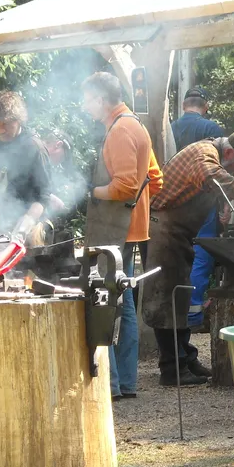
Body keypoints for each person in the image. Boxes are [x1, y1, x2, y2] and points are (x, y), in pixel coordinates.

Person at [143, 130, 234, 386]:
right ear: (230, 153)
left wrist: (222, 211)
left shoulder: (214, 156)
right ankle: (171, 369)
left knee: (181, 294)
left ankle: (186, 358)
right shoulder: (203, 154)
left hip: (180, 233)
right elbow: (210, 176)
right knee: (166, 297)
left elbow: (206, 188)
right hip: (163, 227)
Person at [81, 71, 163, 401]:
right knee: (124, 302)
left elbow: (127, 185)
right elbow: (154, 180)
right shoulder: (135, 125)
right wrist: (138, 212)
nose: (85, 106)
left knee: (109, 304)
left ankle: (112, 384)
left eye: (87, 100)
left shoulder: (120, 130)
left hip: (117, 231)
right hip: (130, 229)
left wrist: (93, 192)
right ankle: (125, 383)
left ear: (101, 100)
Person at [171, 87, 226, 329]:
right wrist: (224, 205)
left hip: (175, 204)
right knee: (202, 256)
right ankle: (193, 316)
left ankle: (177, 314)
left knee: (178, 257)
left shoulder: (169, 129)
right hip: (204, 204)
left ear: (184, 105)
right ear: (205, 107)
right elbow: (219, 173)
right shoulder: (211, 130)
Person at [0, 91, 54, 245]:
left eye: (7, 124)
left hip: (33, 221)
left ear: (19, 121)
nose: (1, 130)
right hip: (1, 220)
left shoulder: (34, 147)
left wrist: (25, 224)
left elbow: (44, 197)